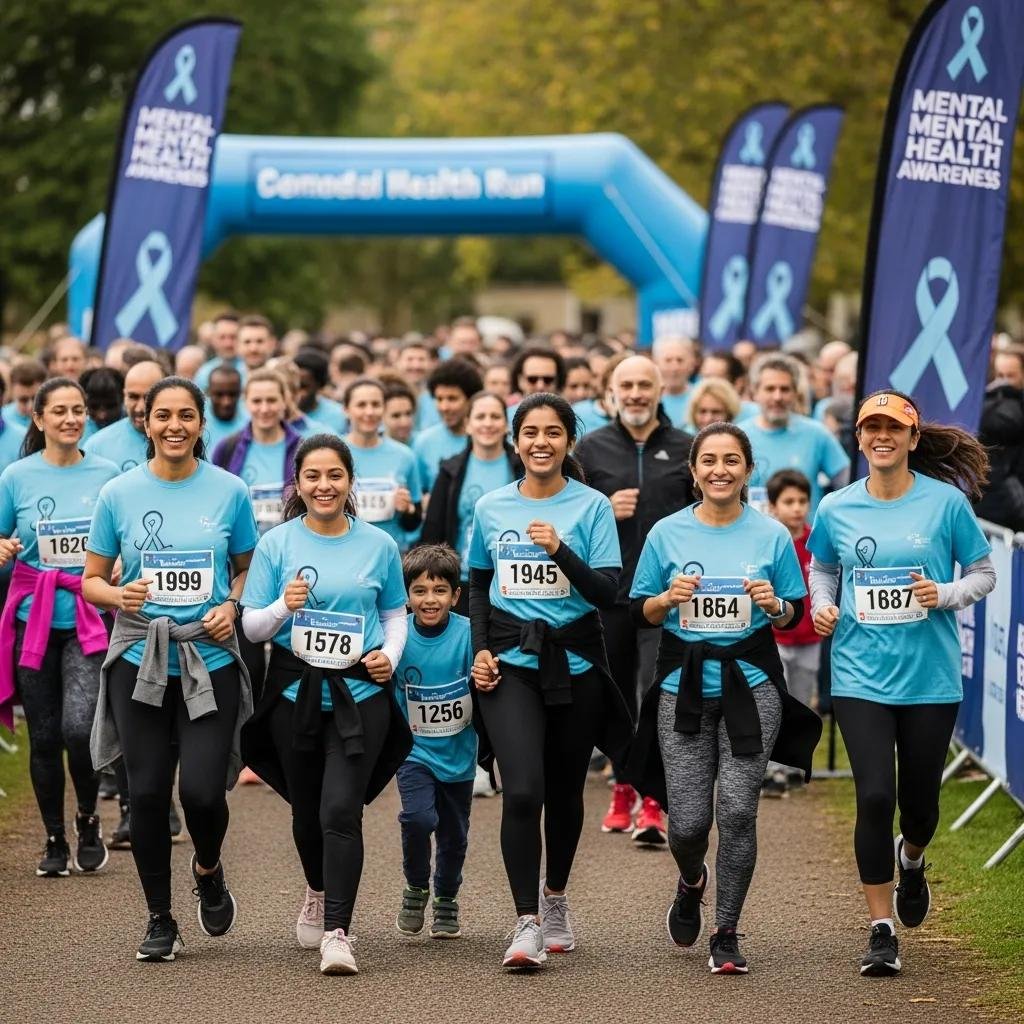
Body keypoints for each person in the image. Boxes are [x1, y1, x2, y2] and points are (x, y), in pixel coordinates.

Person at [808, 390, 994, 978]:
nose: (882, 436)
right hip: (859, 673)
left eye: (894, 428)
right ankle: (881, 929)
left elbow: (983, 573)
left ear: (913, 438)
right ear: (859, 438)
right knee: (873, 797)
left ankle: (911, 861)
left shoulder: (946, 504)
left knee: (920, 806)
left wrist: (945, 594)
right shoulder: (836, 506)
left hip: (930, 678)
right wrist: (822, 605)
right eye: (872, 427)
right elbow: (823, 567)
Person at [628, 421, 814, 975]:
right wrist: (667, 598)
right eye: (709, 460)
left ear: (748, 470)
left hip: (751, 686)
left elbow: (794, 613)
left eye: (732, 461)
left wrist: (775, 605)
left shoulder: (772, 535)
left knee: (736, 809)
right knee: (687, 824)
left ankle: (727, 930)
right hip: (682, 688)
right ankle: (692, 880)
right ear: (693, 471)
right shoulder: (666, 533)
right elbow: (640, 611)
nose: (720, 470)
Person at [84, 376, 257, 963]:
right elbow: (91, 580)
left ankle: (207, 868)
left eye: (186, 415)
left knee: (203, 793)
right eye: (163, 415)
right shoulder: (119, 493)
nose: (174, 426)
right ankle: (160, 917)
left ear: (201, 424)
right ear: (147, 422)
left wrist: (231, 605)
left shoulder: (230, 491)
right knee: (148, 793)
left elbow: (248, 569)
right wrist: (118, 596)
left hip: (209, 659)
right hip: (140, 659)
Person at [239, 434, 411, 976]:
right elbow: (252, 626)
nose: (324, 486)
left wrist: (389, 656)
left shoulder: (379, 544)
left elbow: (395, 614)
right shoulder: (276, 544)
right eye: (312, 476)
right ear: (297, 483)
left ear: (350, 480)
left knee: (340, 809)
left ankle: (338, 931)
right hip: (296, 694)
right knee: (307, 810)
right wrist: (280, 606)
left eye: (334, 475)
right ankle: (316, 889)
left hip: (361, 694)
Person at [468, 392, 630, 969]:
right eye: (530, 433)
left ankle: (555, 896)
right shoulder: (490, 507)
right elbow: (478, 586)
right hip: (511, 665)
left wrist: (560, 549)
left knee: (564, 792)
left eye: (553, 433)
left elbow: (607, 593)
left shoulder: (592, 507)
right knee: (523, 789)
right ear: (515, 442)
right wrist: (480, 650)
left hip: (575, 664)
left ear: (568, 441)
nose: (541, 442)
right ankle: (526, 923)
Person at [0, 378, 118, 877]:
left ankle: (88, 818)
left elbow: (123, 538)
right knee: (45, 735)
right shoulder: (17, 476)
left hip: (88, 618)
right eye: (60, 411)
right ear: (39, 418)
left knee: (78, 728)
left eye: (78, 410)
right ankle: (54, 837)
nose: (71, 419)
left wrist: (117, 564)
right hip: (34, 619)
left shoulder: (107, 475)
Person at [576, 356, 694, 845]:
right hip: (610, 594)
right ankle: (623, 787)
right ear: (611, 390)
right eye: (627, 384)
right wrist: (604, 508)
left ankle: (653, 800)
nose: (636, 393)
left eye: (645, 384)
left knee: (656, 694)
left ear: (661, 389)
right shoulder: (590, 449)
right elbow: (568, 521)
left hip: (668, 597)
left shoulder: (687, 447)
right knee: (619, 698)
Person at [393, 545, 476, 940]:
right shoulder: (397, 634)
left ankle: (446, 897)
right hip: (414, 752)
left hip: (459, 754)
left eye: (440, 590)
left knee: (454, 835)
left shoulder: (469, 633)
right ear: (406, 595)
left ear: (455, 596)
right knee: (418, 818)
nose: (430, 599)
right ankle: (415, 886)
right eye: (420, 590)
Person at [421, 391, 519, 614]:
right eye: (480, 417)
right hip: (463, 581)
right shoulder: (450, 470)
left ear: (506, 425)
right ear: (467, 424)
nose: (488, 423)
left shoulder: (522, 468)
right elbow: (432, 531)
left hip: (511, 582)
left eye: (495, 417)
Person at [762, 468, 821, 798]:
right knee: (774, 704)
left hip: (810, 638)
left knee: (801, 703)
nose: (797, 508)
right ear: (773, 506)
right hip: (775, 639)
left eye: (802, 501)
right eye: (788, 502)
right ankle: (773, 771)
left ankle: (794, 764)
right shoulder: (769, 542)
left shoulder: (817, 542)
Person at [739, 353, 850, 514]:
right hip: (753, 529)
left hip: (805, 530)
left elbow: (847, 484)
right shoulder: (738, 437)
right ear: (755, 392)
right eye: (770, 389)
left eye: (785, 389)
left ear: (795, 393)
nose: (777, 397)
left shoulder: (817, 434)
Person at [212, 369, 302, 537]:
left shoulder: (302, 449)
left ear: (285, 401)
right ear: (245, 402)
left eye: (271, 400)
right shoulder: (227, 449)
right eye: (257, 401)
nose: (264, 408)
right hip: (243, 548)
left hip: (290, 544)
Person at [343, 377, 423, 550]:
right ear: (346, 410)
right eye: (361, 405)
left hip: (391, 553)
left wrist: (407, 509)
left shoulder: (404, 456)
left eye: (376, 404)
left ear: (384, 408)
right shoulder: (333, 453)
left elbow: (414, 521)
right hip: (345, 551)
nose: (369, 412)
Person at [413, 359, 483, 493]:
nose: (444, 407)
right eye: (439, 399)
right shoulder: (424, 442)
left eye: (452, 399)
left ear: (471, 399)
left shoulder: (489, 439)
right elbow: (419, 492)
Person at [83, 359, 164, 472]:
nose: (140, 408)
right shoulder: (96, 447)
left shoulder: (182, 442)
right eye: (133, 397)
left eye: (148, 398)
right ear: (124, 396)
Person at [974, 349, 1024, 532]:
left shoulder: (979, 407)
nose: (1004, 381)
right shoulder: (982, 406)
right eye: (1001, 375)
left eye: (1011, 376)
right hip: (997, 508)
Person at [294, 347, 348, 434]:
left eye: (303, 387)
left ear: (320, 385)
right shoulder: (278, 416)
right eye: (292, 386)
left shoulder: (340, 416)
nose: (296, 393)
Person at [652, 336, 699, 426]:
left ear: (692, 364)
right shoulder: (648, 399)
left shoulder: (702, 397)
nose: (674, 367)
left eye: (680, 360)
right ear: (656, 363)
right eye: (668, 360)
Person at [204, 364, 249, 452]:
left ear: (240, 392)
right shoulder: (196, 422)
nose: (226, 402)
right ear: (208, 392)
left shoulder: (251, 423)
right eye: (219, 395)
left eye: (232, 394)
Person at [194, 312, 241, 391]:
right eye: (222, 337)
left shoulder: (251, 369)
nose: (228, 344)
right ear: (213, 339)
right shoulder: (204, 373)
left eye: (233, 337)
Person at [79, 366, 124, 439]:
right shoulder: (77, 435)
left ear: (123, 400)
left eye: (110, 406)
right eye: (94, 407)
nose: (102, 416)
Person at [3, 359, 46, 432]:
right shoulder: (4, 419)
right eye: (23, 400)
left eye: (36, 398)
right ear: (12, 393)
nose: (30, 406)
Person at [382, 381, 417, 446]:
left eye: (408, 414)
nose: (404, 423)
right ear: (381, 417)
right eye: (396, 416)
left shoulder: (423, 444)